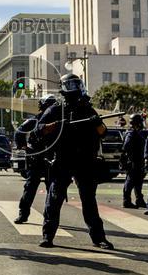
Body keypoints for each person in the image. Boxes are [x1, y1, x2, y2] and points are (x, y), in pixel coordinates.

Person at [32, 73, 113, 250]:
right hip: (64, 160)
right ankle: (48, 236)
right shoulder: (56, 109)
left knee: (89, 201)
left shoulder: (88, 109)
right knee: (54, 199)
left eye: (76, 84)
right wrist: (56, 125)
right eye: (71, 85)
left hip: (85, 161)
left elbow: (103, 132)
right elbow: (37, 130)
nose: (75, 88)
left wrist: (97, 122)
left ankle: (98, 238)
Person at [13, 95, 56, 224]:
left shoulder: (58, 122)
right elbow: (19, 131)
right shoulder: (35, 121)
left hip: (51, 158)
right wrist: (24, 147)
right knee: (30, 187)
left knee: (52, 190)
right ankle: (23, 214)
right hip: (36, 157)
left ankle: (50, 217)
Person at [120, 113, 148, 209]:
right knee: (130, 181)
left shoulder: (135, 133)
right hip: (134, 162)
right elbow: (127, 147)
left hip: (138, 161)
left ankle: (139, 200)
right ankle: (126, 201)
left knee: (138, 182)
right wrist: (131, 158)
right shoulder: (131, 133)